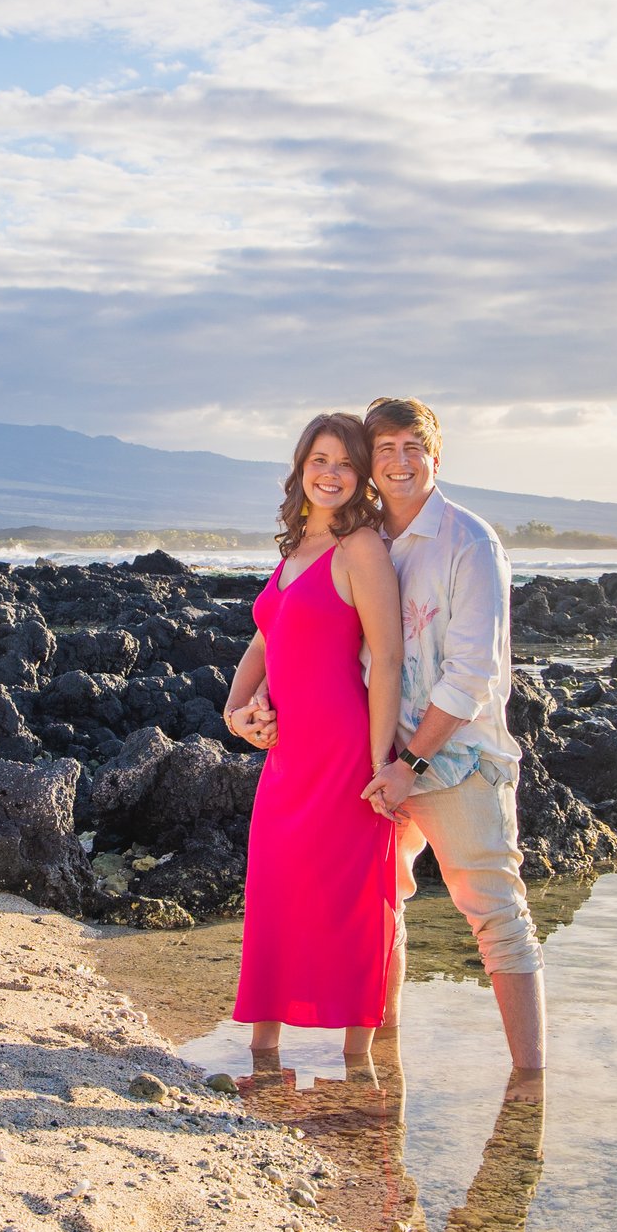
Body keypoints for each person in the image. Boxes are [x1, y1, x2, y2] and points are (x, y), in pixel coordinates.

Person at [356, 395, 548, 1077]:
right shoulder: (364, 539)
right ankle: (385, 1068)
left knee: (497, 916)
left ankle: (530, 1088)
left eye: (414, 447)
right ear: (370, 464)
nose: (401, 462)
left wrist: (411, 760)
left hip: (456, 764)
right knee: (382, 910)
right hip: (379, 762)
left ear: (436, 456)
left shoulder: (469, 542)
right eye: (387, 450)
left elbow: (472, 674)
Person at [221, 412, 405, 1059]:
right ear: (302, 466)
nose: (331, 473)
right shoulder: (295, 547)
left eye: (345, 463)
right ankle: (262, 1051)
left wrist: (381, 760)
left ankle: (360, 1064)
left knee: (351, 895)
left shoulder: (361, 548)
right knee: (274, 888)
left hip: (342, 751)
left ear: (361, 476)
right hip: (287, 757)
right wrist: (236, 710)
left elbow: (387, 658)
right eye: (320, 460)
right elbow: (265, 639)